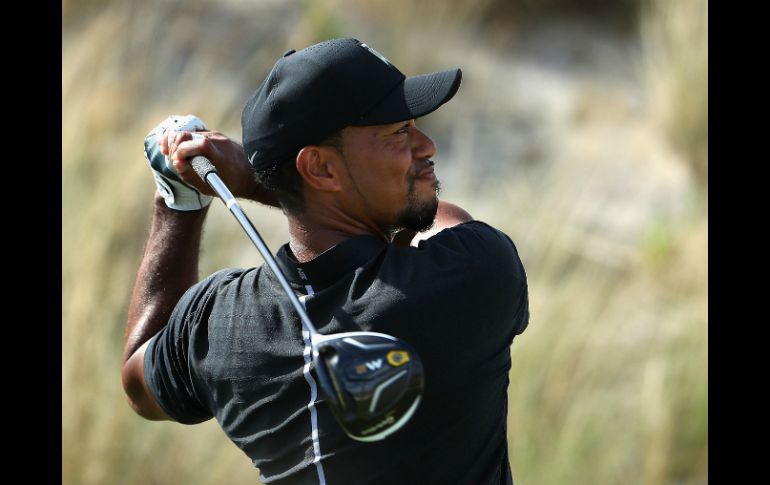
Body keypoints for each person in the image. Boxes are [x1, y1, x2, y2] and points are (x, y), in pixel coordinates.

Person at [121, 38, 529, 485]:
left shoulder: (217, 323)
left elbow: (140, 385)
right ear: (320, 169)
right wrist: (254, 182)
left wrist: (178, 201)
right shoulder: (469, 277)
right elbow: (433, 218)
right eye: (398, 132)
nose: (427, 145)